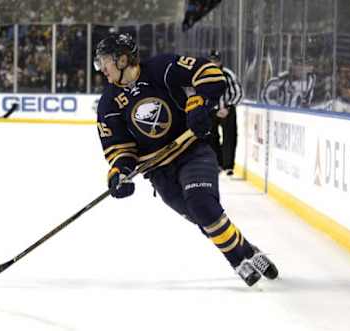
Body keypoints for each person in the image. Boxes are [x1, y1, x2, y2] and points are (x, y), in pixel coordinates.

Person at [94, 33, 278, 287]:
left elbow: (210, 74)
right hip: (160, 172)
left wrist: (197, 103)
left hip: (193, 152)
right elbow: (119, 148)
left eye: (105, 61)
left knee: (202, 204)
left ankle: (237, 261)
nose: (101, 68)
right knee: (204, 217)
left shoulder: (161, 68)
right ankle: (248, 251)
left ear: (123, 59)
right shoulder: (108, 103)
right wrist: (119, 172)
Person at [206, 49, 242, 176]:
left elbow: (238, 92)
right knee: (211, 137)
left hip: (228, 109)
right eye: (211, 61)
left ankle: (228, 165)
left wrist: (228, 107)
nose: (214, 63)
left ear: (220, 61)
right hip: (211, 110)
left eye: (216, 60)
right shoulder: (203, 75)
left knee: (230, 137)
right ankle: (218, 163)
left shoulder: (228, 74)